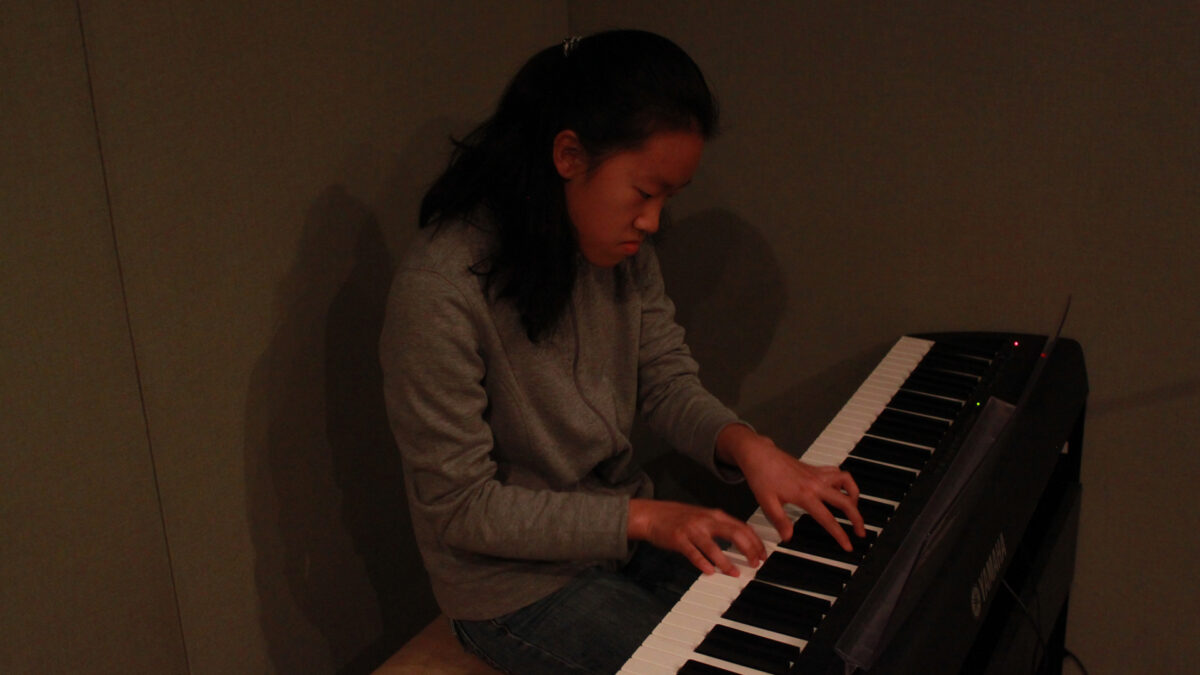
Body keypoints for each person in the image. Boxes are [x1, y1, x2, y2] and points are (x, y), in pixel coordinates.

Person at [380, 29, 865, 674]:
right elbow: (464, 510)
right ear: (569, 155)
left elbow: (663, 379)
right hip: (511, 590)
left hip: (617, 540)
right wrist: (643, 518)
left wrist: (753, 450)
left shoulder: (614, 251)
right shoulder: (439, 290)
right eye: (644, 193)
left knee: (814, 615)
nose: (654, 221)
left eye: (669, 198)